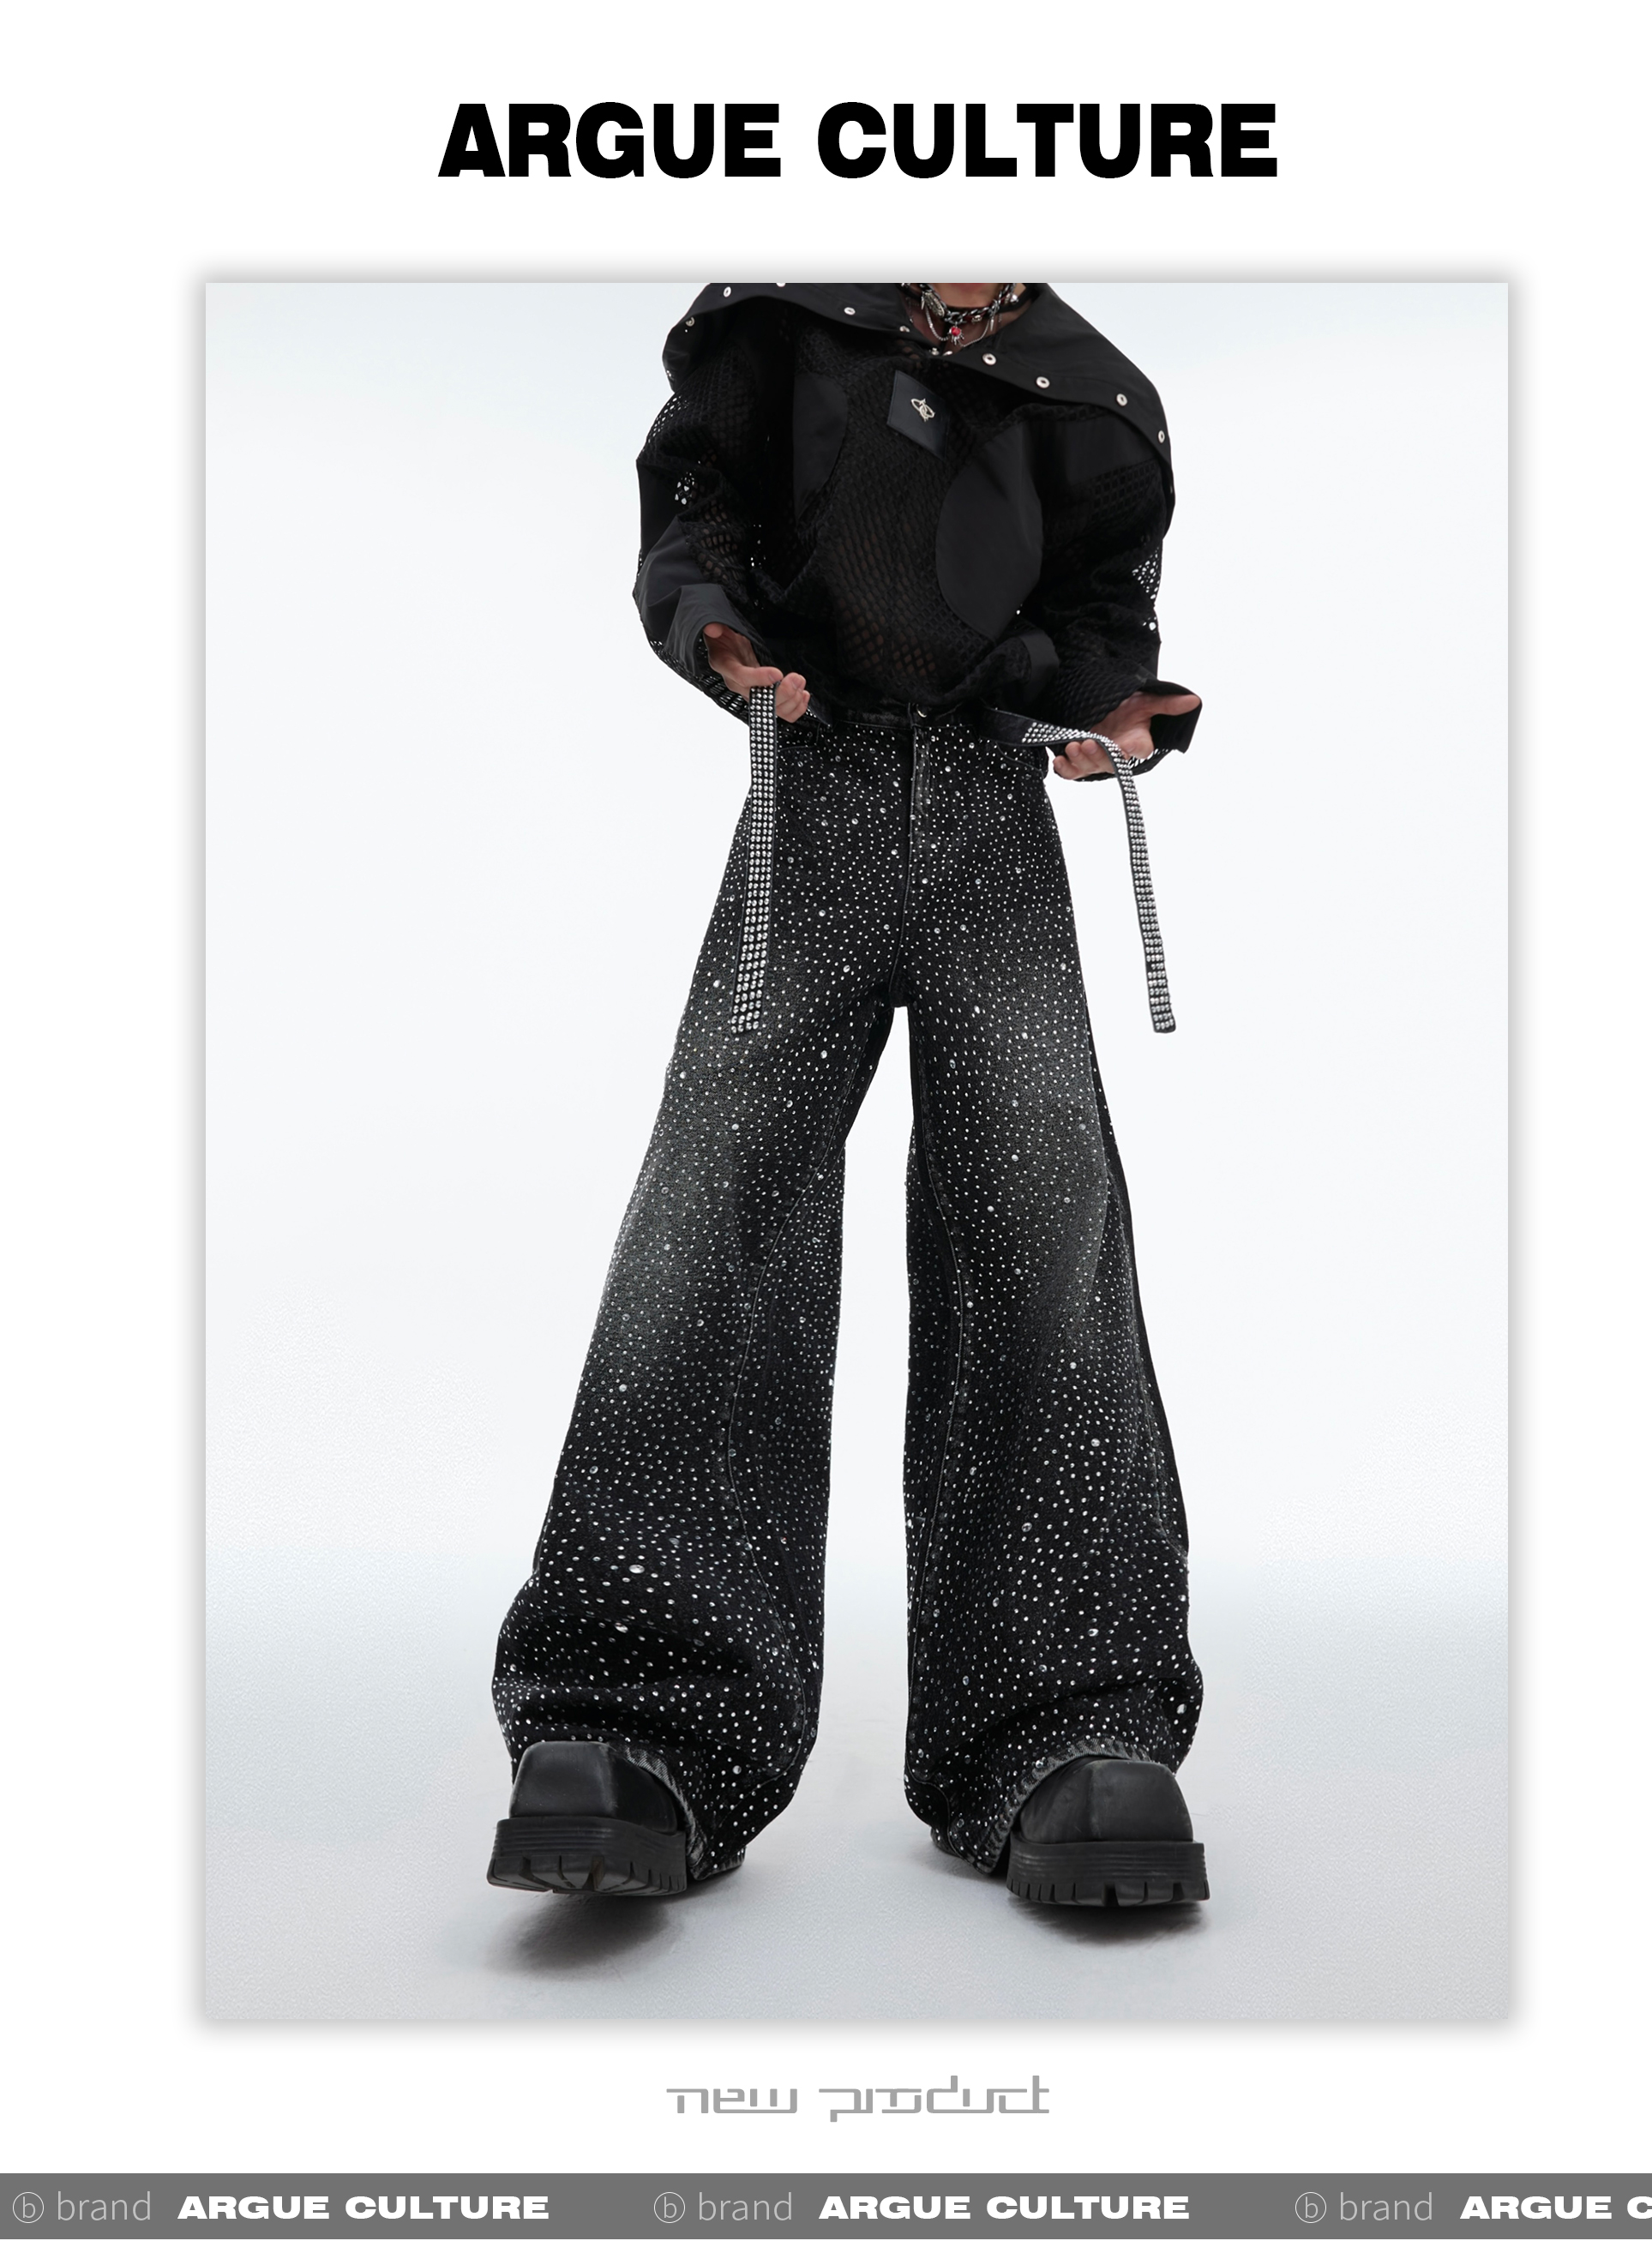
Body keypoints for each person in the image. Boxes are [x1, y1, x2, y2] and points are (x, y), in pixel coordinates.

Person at [487, 283, 1208, 1910]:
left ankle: (1067, 1724)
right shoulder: (785, 332)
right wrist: (720, 637)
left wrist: (1112, 710)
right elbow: (697, 507)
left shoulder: (1091, 394)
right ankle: (641, 1719)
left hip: (990, 818)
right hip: (805, 797)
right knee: (712, 1221)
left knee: (1044, 1233)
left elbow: (1100, 602)